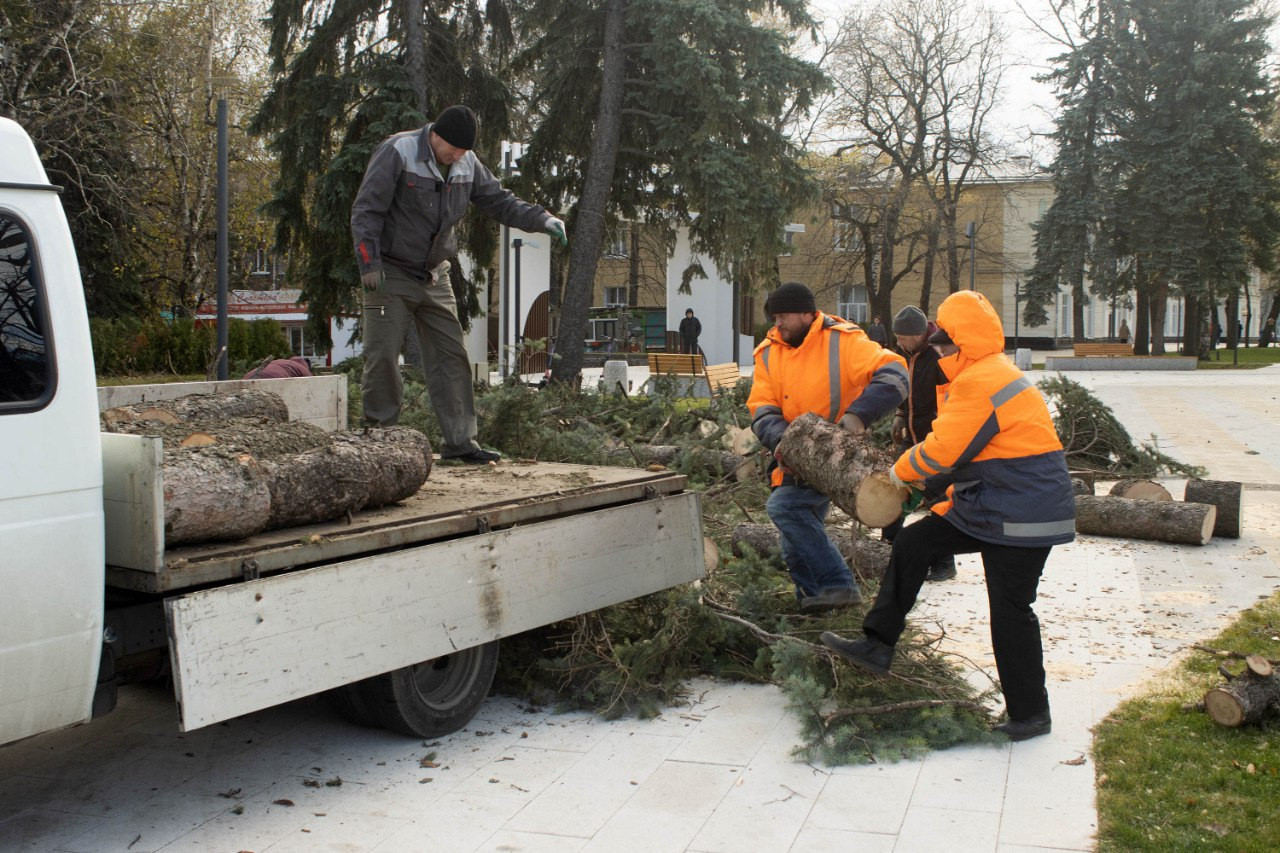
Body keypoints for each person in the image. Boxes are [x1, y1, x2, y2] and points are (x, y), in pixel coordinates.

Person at [820, 290, 1075, 742]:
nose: (936, 351)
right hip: (995, 502)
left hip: (1023, 515)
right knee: (915, 544)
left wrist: (897, 474)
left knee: (1011, 610)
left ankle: (1032, 714)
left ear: (961, 342)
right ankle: (878, 644)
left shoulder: (983, 380)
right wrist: (941, 503)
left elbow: (943, 451)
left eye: (942, 343)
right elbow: (981, 457)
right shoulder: (983, 374)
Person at [351, 105, 567, 463]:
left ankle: (461, 444)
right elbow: (366, 211)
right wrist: (368, 263)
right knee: (384, 356)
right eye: (454, 149)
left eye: (465, 151)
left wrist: (542, 219)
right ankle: (379, 441)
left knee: (452, 357)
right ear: (435, 135)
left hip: (435, 274)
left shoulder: (467, 163)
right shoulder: (398, 151)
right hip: (389, 274)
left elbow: (500, 201)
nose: (459, 157)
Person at [747, 282, 908, 613]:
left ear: (808, 313)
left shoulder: (843, 341)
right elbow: (762, 406)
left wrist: (857, 416)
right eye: (774, 316)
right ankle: (815, 608)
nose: (777, 324)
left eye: (784, 316)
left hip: (837, 456)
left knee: (784, 509)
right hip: (792, 457)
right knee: (795, 544)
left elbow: (894, 374)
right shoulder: (767, 351)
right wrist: (782, 440)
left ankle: (838, 585)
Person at [882, 305, 954, 582]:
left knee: (937, 500)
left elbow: (951, 399)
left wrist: (942, 433)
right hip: (911, 436)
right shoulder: (907, 354)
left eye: (902, 338)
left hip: (935, 439)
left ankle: (944, 562)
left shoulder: (939, 357)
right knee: (895, 489)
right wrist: (900, 414)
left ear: (919, 334)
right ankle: (888, 548)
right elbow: (906, 388)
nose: (898, 342)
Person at [243, 355, 313, 380]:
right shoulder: (303, 369)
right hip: (274, 379)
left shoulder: (282, 361)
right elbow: (311, 385)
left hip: (248, 377)